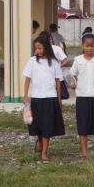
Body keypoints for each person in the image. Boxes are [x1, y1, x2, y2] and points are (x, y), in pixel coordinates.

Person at [22, 35, 66, 163]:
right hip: (36, 98)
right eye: (36, 48)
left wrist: (59, 100)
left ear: (46, 47)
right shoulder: (32, 61)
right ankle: (39, 141)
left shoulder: (54, 63)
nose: (37, 51)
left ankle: (44, 152)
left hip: (50, 98)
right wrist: (25, 95)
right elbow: (27, 79)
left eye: (40, 48)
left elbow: (58, 82)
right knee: (37, 125)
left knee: (47, 126)